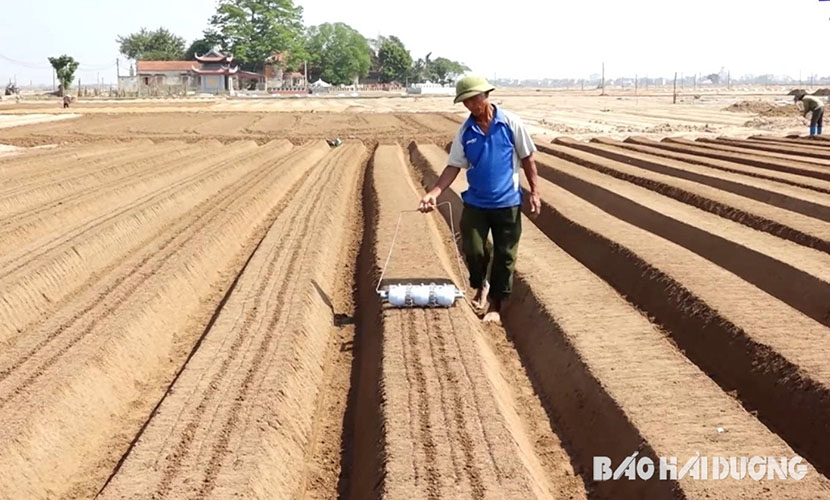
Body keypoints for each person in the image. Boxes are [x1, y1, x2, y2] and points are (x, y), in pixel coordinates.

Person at [418, 76, 540, 324]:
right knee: (473, 248)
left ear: (487, 95)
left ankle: (495, 304)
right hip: (476, 203)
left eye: (475, 98)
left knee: (505, 256)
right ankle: (480, 283)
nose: (472, 105)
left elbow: (528, 158)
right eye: (466, 101)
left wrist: (535, 192)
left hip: (508, 203)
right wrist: (434, 193)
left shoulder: (510, 123)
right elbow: (453, 166)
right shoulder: (465, 132)